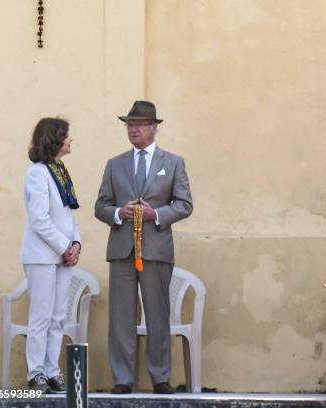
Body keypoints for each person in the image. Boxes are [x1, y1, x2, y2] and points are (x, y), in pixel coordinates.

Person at [95, 100, 193, 394]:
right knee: (121, 317)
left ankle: (160, 377)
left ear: (153, 128)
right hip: (122, 249)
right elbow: (100, 206)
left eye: (138, 125)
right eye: (129, 125)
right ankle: (122, 379)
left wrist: (157, 215)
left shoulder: (173, 162)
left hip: (156, 249)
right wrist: (117, 213)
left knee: (157, 315)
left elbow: (185, 204)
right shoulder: (115, 164)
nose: (133, 130)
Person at [20, 118, 81, 393]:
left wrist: (76, 243)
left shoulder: (60, 171)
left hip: (62, 256)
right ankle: (36, 373)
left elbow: (68, 215)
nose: (71, 140)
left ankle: (52, 371)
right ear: (55, 139)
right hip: (42, 256)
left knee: (58, 316)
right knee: (41, 316)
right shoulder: (38, 173)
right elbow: (39, 219)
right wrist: (64, 247)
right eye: (67, 136)